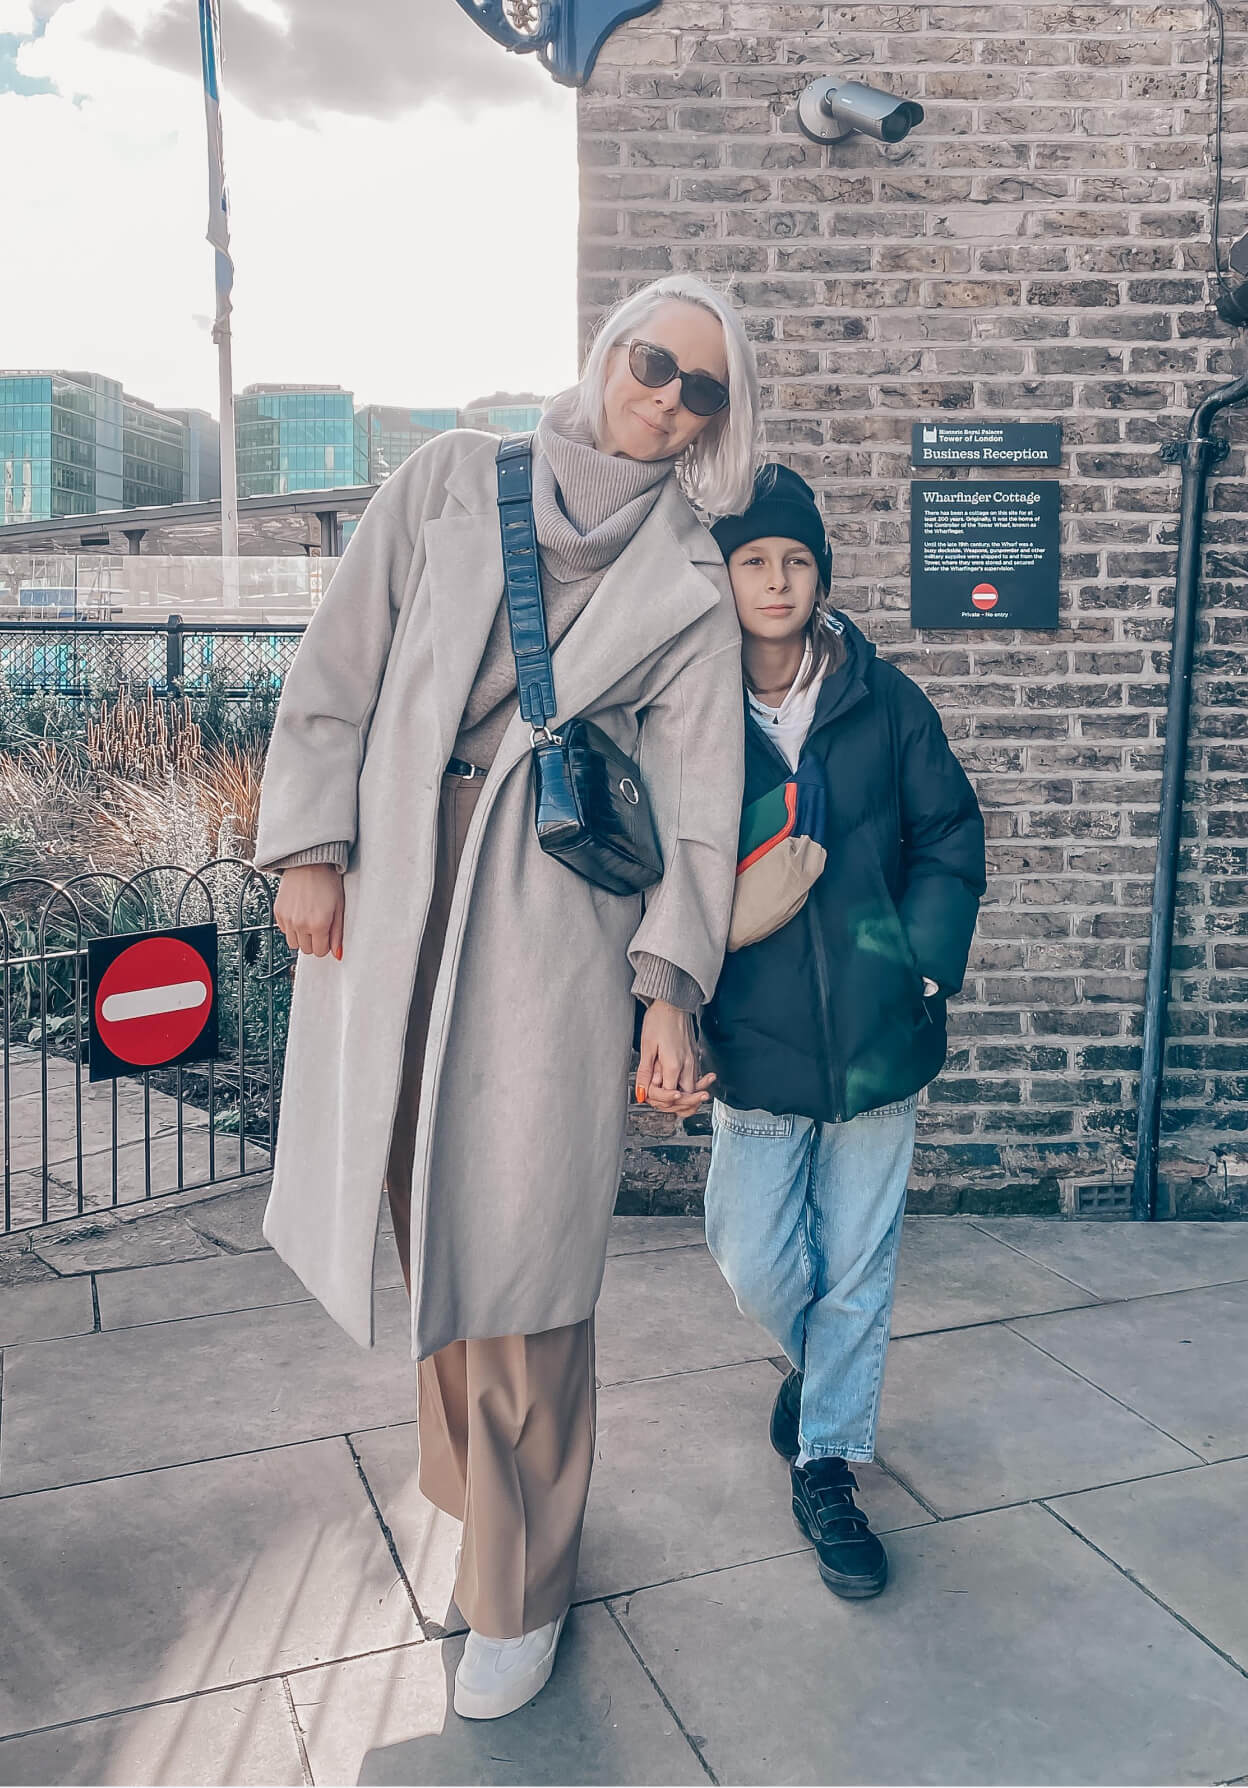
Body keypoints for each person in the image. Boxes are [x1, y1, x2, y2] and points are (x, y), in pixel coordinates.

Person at [251, 274, 759, 1719]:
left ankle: (524, 1592)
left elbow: (702, 808)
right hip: (402, 897)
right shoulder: (451, 481)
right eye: (656, 362)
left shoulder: (691, 579)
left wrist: (670, 990)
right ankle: (485, 1514)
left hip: (550, 933)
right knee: (434, 1229)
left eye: (703, 390)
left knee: (525, 1259)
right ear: (611, 354)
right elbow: (337, 665)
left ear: (720, 420)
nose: (667, 397)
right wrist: (309, 843)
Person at [699, 464, 985, 1600]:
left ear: (824, 573)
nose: (777, 581)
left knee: (858, 1268)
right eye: (755, 561)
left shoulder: (884, 699)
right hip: (755, 1038)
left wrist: (916, 964)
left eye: (797, 560)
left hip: (879, 1034)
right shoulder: (693, 710)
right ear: (724, 578)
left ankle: (827, 1463)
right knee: (753, 1252)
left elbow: (950, 836)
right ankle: (816, 1373)